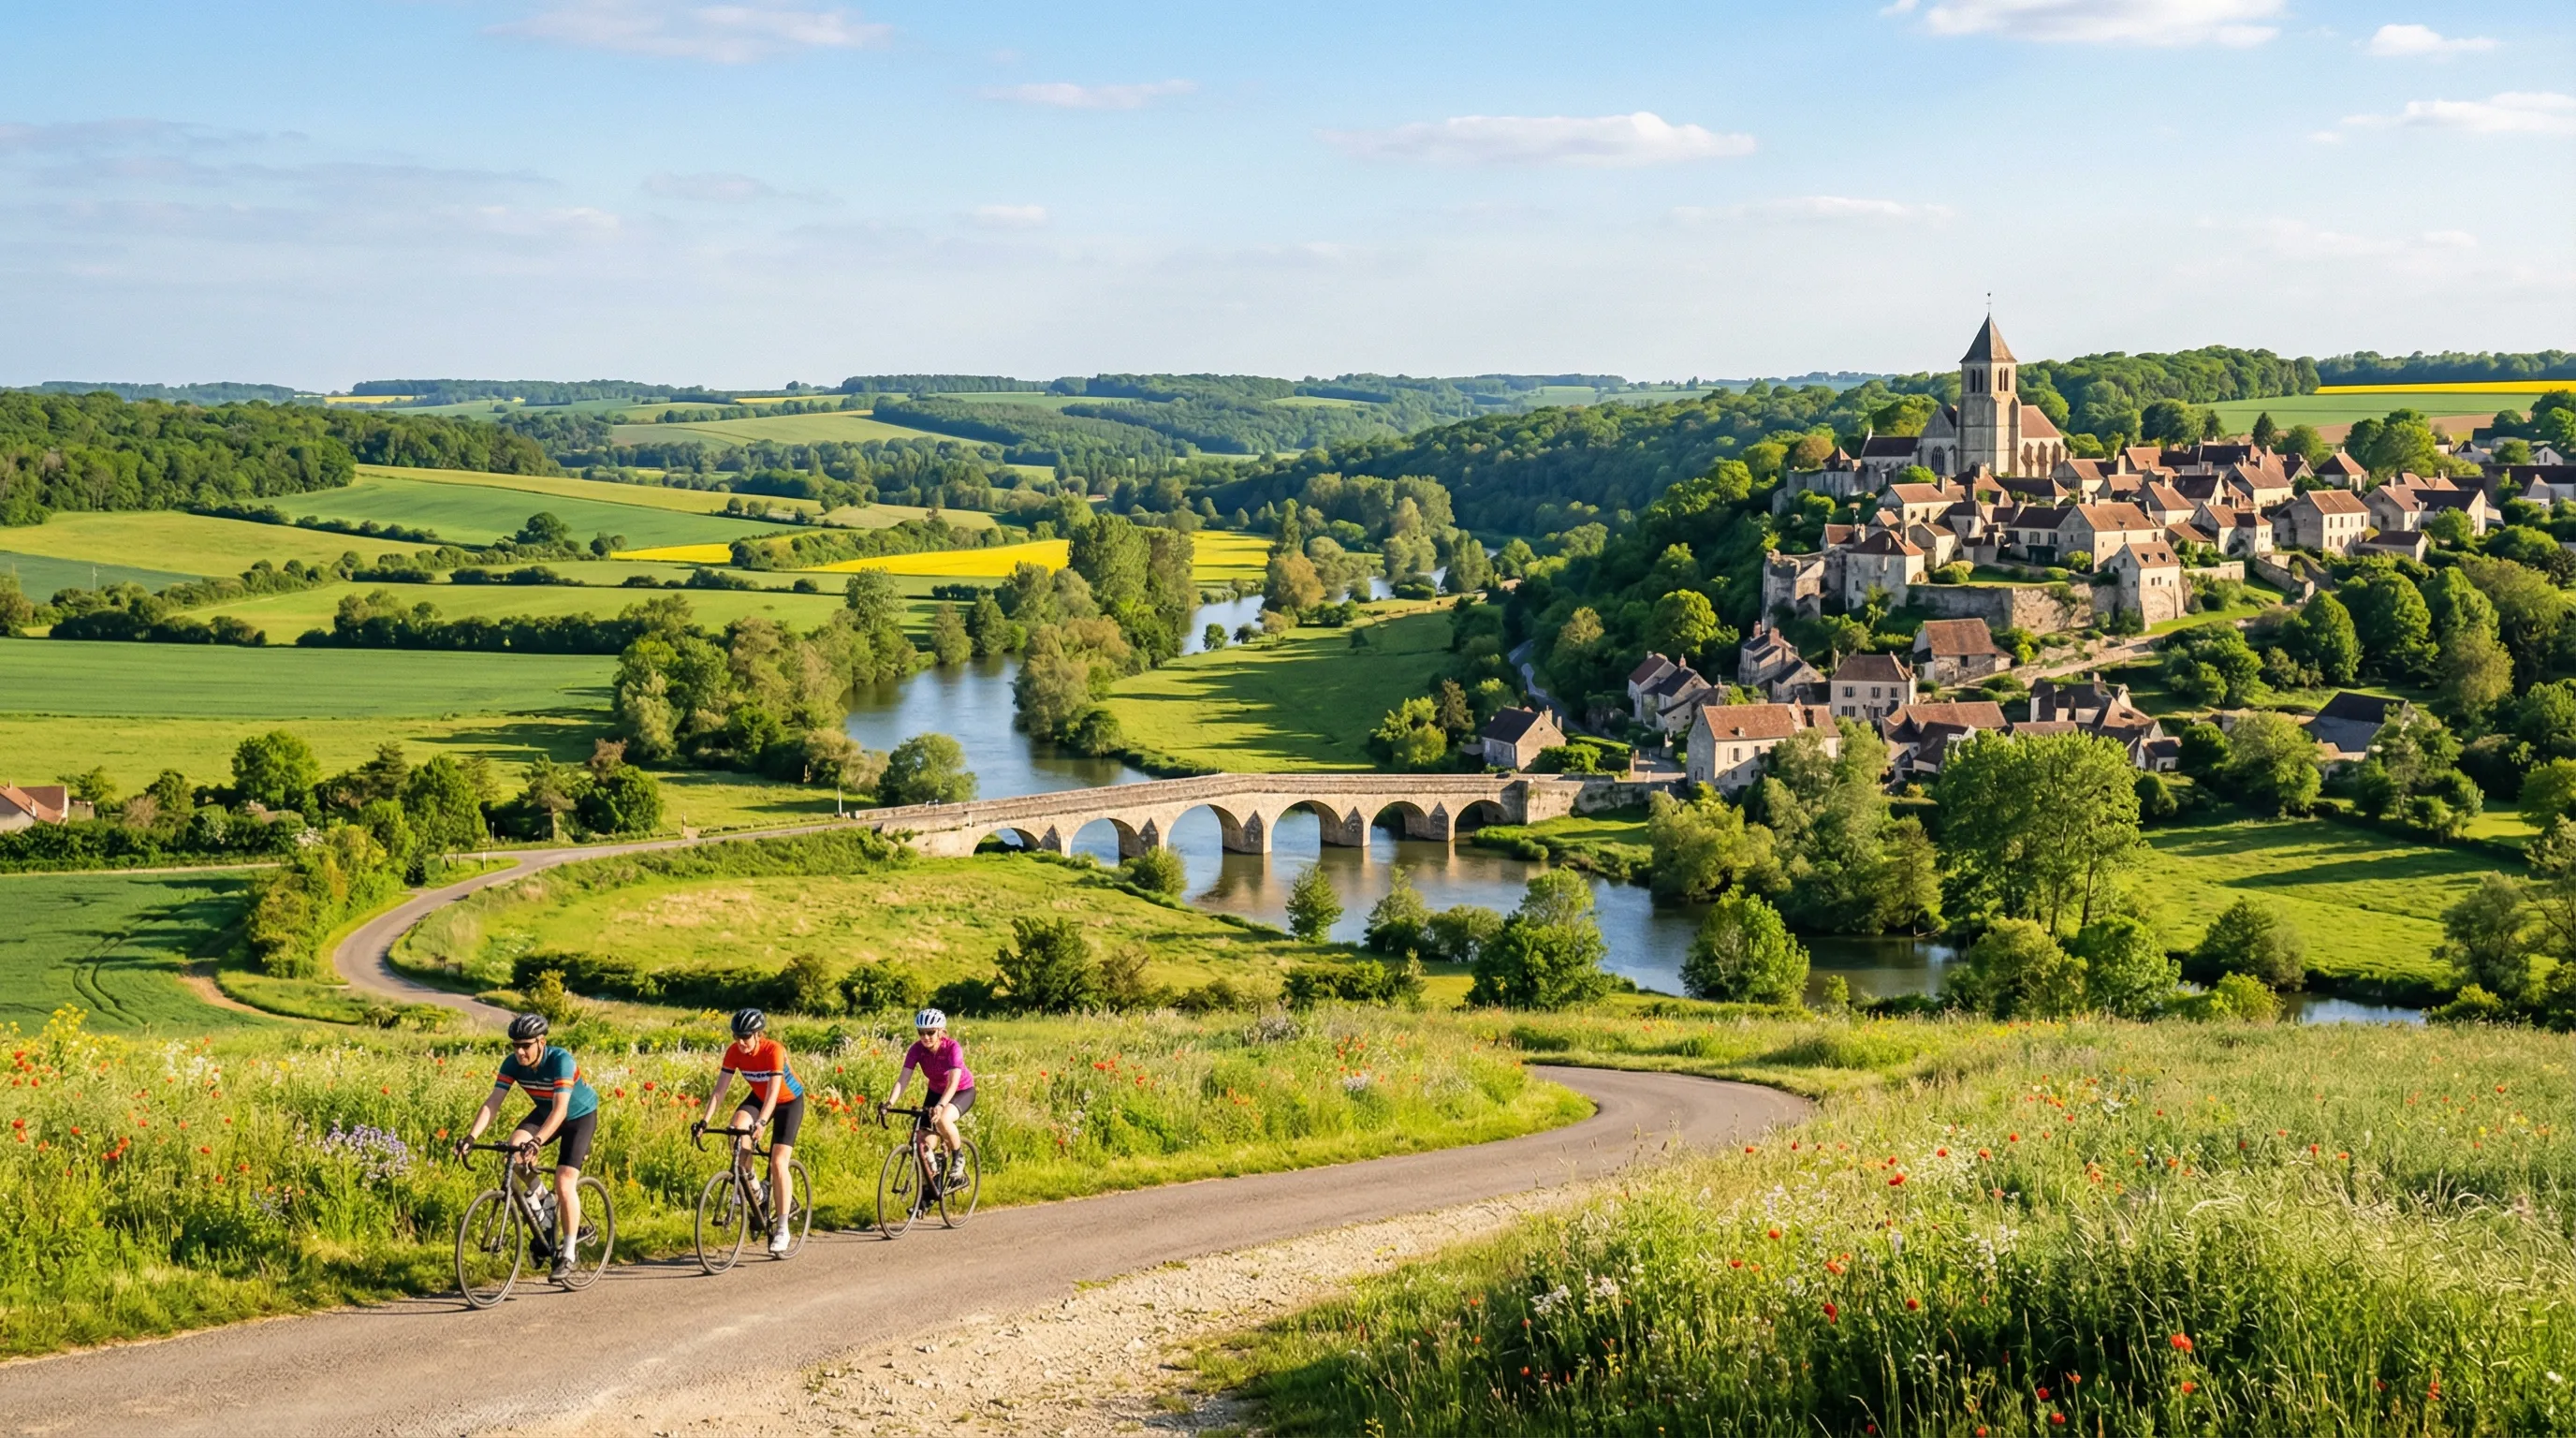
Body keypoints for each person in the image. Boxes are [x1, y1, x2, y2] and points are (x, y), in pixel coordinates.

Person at [459, 1012, 599, 1281]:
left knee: (565, 1181)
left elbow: (561, 1110)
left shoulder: (561, 1061)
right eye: (515, 1046)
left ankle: (568, 1253)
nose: (520, 1052)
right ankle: (545, 1202)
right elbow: (494, 1102)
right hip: (546, 1112)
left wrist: (537, 1141)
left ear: (541, 1042)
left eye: (526, 1046)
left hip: (578, 1116)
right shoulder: (512, 1063)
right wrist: (471, 1137)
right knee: (514, 1152)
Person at [695, 1007, 805, 1255]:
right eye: (736, 1037)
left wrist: (762, 1123)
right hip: (758, 1097)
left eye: (746, 1037)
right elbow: (719, 1090)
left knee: (778, 1162)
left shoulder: (773, 1050)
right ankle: (757, 1190)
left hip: (788, 1101)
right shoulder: (734, 1052)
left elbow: (774, 1091)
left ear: (759, 1034)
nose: (741, 1042)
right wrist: (704, 1120)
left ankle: (783, 1229)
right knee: (736, 1130)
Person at [886, 1007, 973, 1188]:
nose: (926, 1037)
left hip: (961, 1090)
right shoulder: (916, 1050)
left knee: (943, 1119)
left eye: (931, 1032)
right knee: (924, 1143)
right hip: (935, 1092)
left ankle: (958, 1157)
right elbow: (903, 1079)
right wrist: (889, 1103)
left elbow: (953, 1082)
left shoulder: (952, 1048)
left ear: (941, 1031)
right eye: (921, 1033)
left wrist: (941, 1106)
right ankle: (932, 1186)